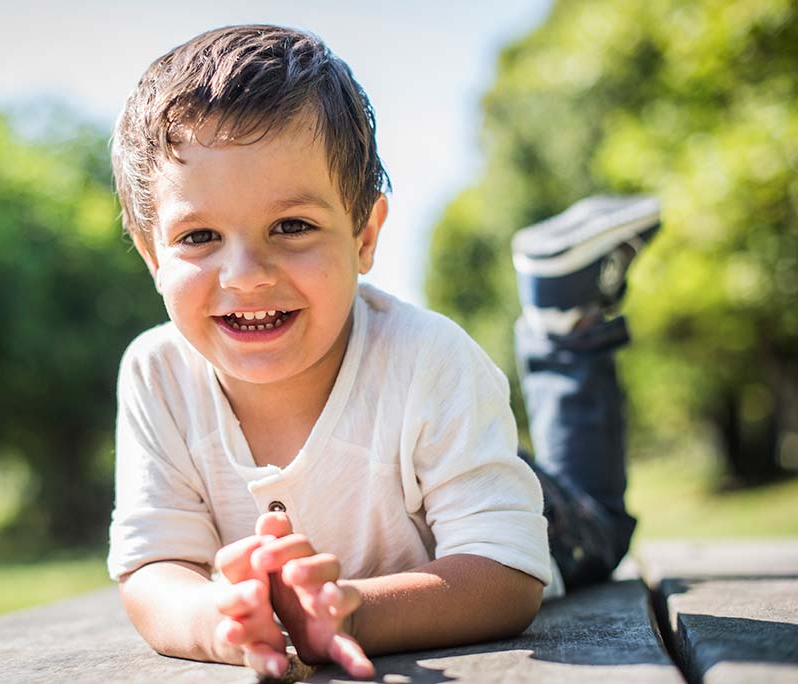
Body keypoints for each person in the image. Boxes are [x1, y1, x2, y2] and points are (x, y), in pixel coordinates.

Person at [105, 24, 659, 680]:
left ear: (365, 236)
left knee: (599, 516)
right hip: (441, 477)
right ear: (152, 257)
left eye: (293, 226)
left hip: (520, 511)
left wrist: (350, 612)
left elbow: (507, 573)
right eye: (198, 236)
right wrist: (217, 619)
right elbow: (153, 568)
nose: (248, 274)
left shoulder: (428, 358)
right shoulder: (157, 374)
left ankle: (565, 321)